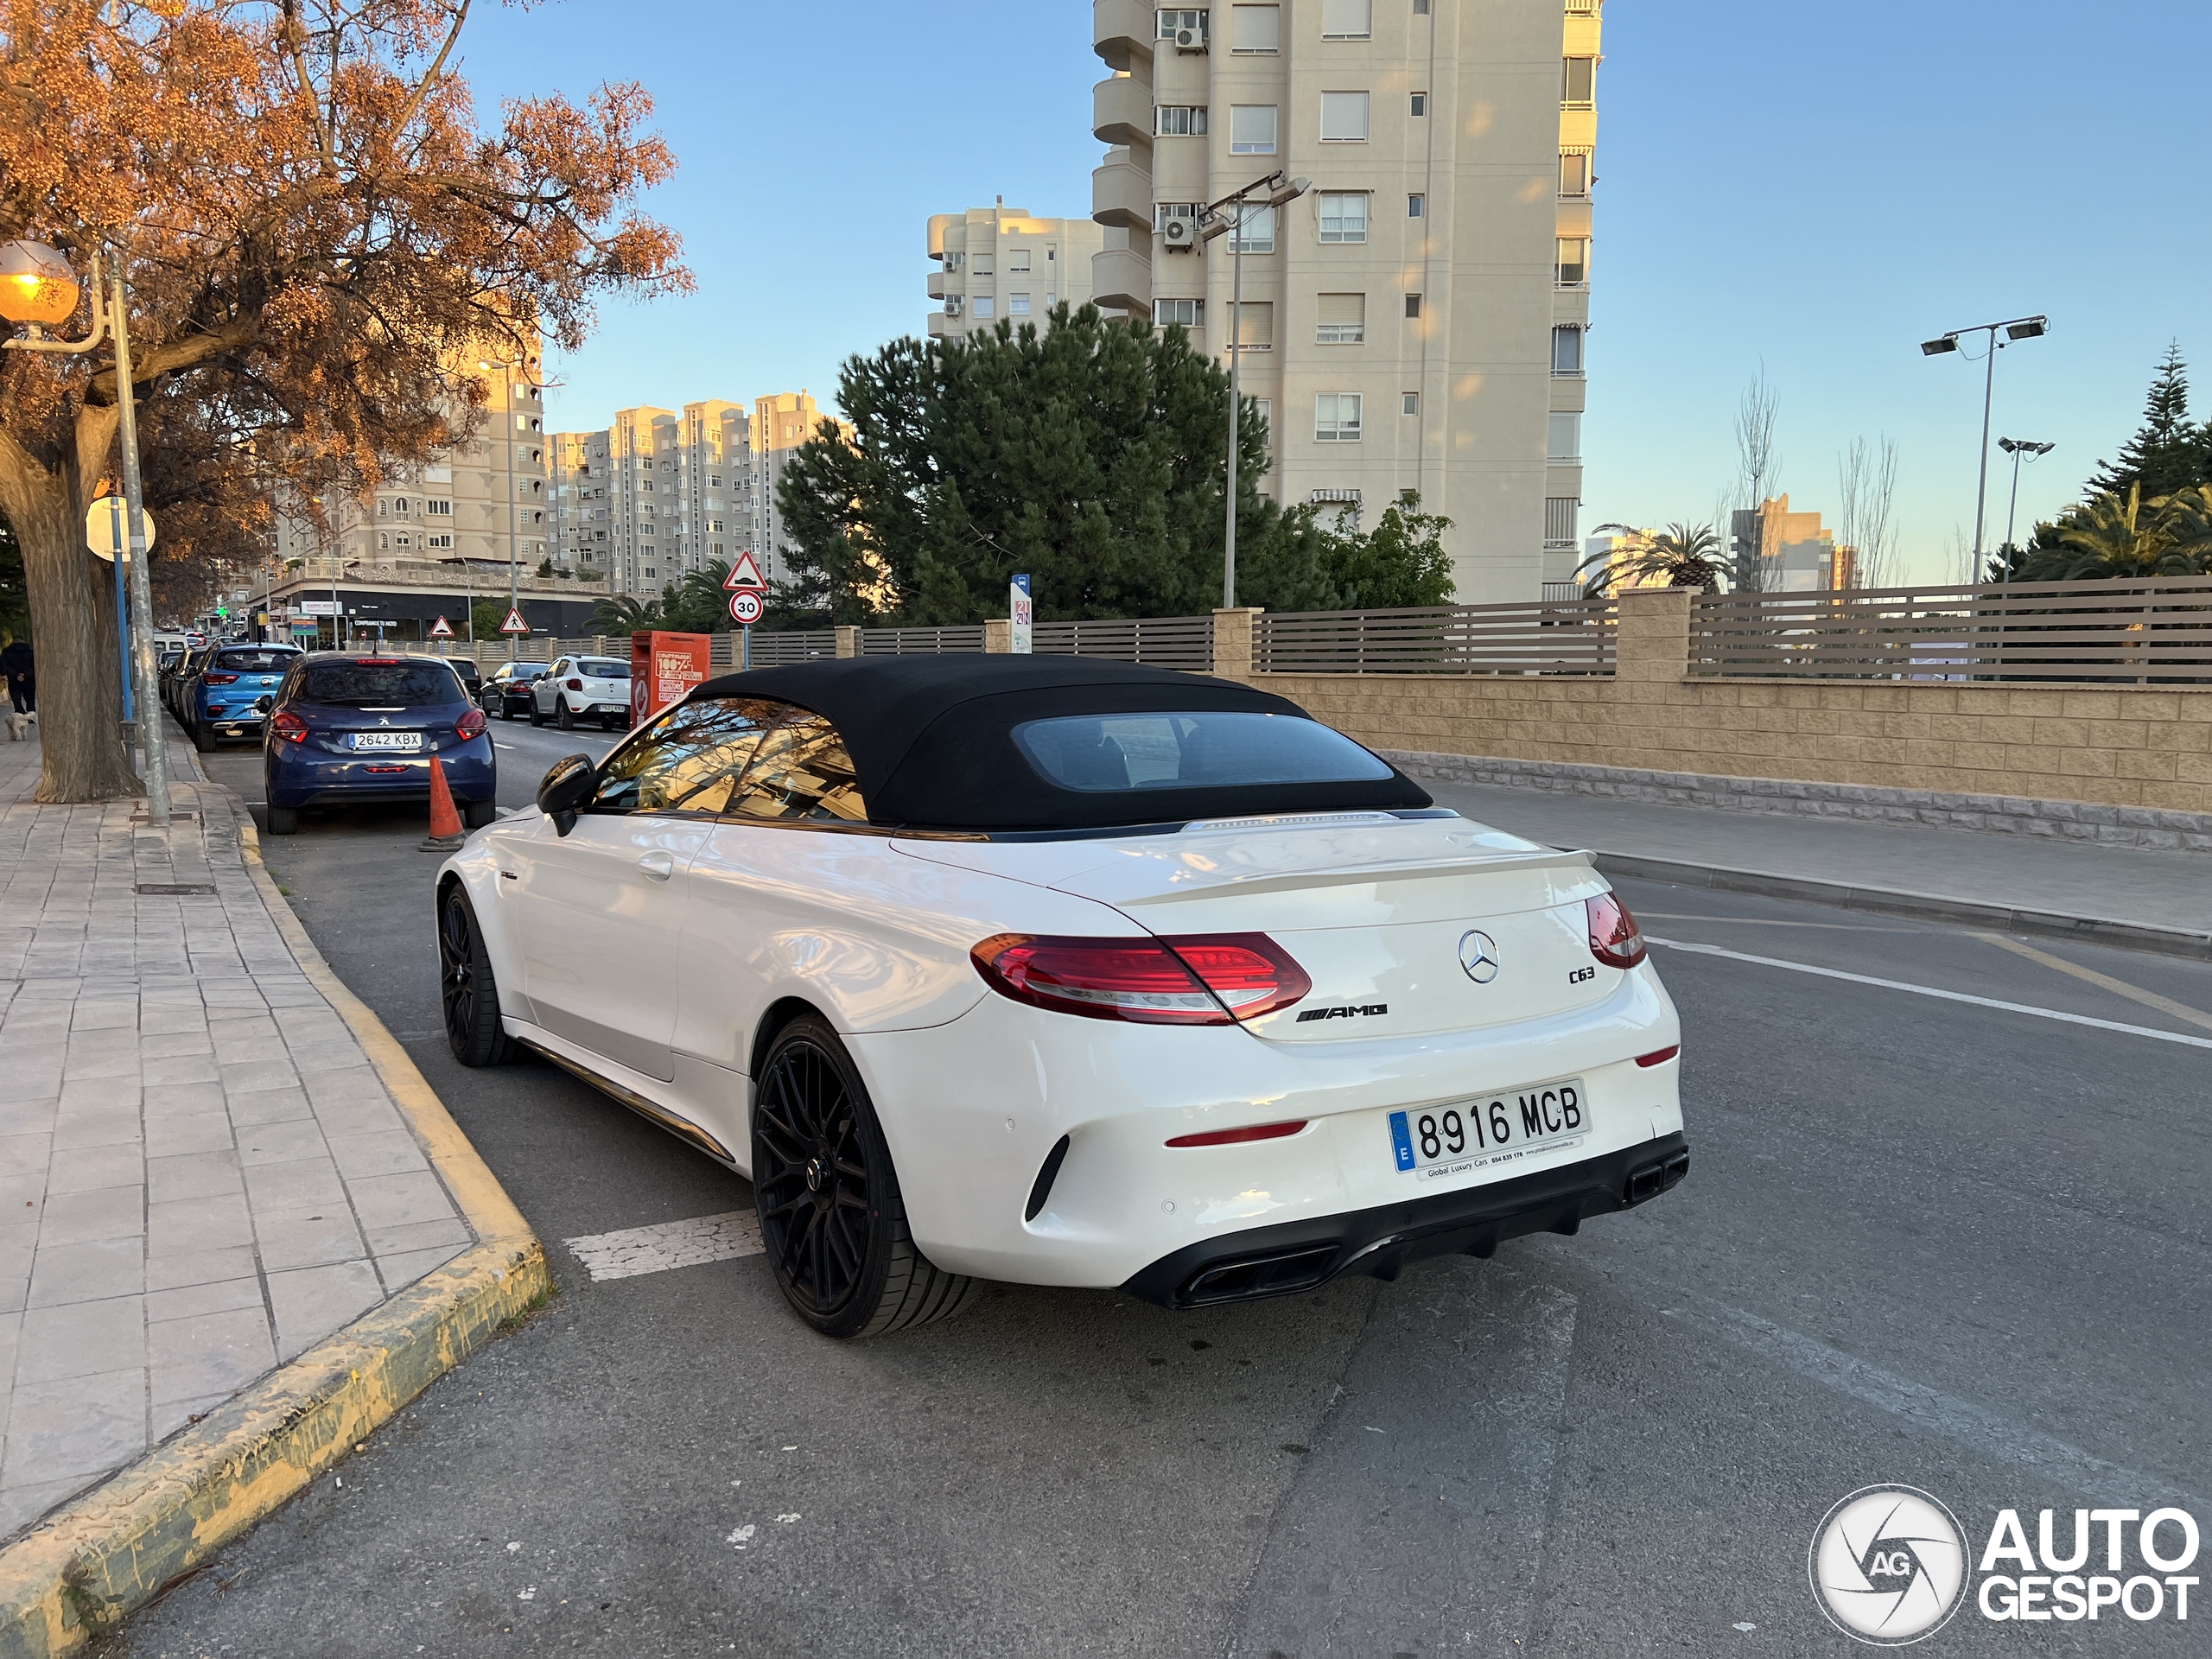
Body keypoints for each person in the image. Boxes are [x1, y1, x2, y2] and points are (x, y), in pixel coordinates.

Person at [0, 632, 31, 715]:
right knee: (30, 696)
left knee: (16, 696)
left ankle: (20, 713)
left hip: (13, 678)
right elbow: (33, 664)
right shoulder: (30, 649)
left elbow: (3, 663)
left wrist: (5, 674)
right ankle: (30, 714)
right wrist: (25, 674)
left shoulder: (6, 651)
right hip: (29, 678)